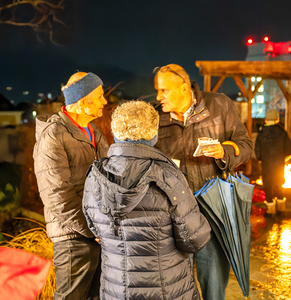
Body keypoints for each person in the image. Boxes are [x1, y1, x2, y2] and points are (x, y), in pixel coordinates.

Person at [82, 101, 211, 300]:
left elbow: (94, 228)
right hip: (168, 290)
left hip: (116, 291)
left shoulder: (95, 177)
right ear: (153, 134)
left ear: (115, 131)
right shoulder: (169, 176)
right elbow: (194, 240)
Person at [153, 64, 253, 300]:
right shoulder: (155, 116)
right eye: (157, 90)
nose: (158, 97)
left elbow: (246, 146)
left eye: (164, 90)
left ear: (184, 87)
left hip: (213, 214)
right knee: (175, 288)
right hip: (173, 218)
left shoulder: (219, 105)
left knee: (214, 286)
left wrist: (223, 151)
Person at [33, 72, 109, 300]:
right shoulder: (54, 135)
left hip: (98, 234)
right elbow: (57, 195)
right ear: (84, 100)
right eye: (100, 96)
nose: (105, 102)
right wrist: (92, 228)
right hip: (73, 237)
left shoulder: (95, 133)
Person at [255, 108, 291, 214]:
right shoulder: (283, 133)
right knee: (279, 184)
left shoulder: (261, 134)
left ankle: (270, 210)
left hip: (266, 165)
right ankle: (281, 209)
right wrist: (283, 158)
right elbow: (289, 150)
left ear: (266, 119)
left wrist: (261, 159)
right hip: (279, 164)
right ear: (277, 119)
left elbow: (257, 152)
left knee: (268, 185)